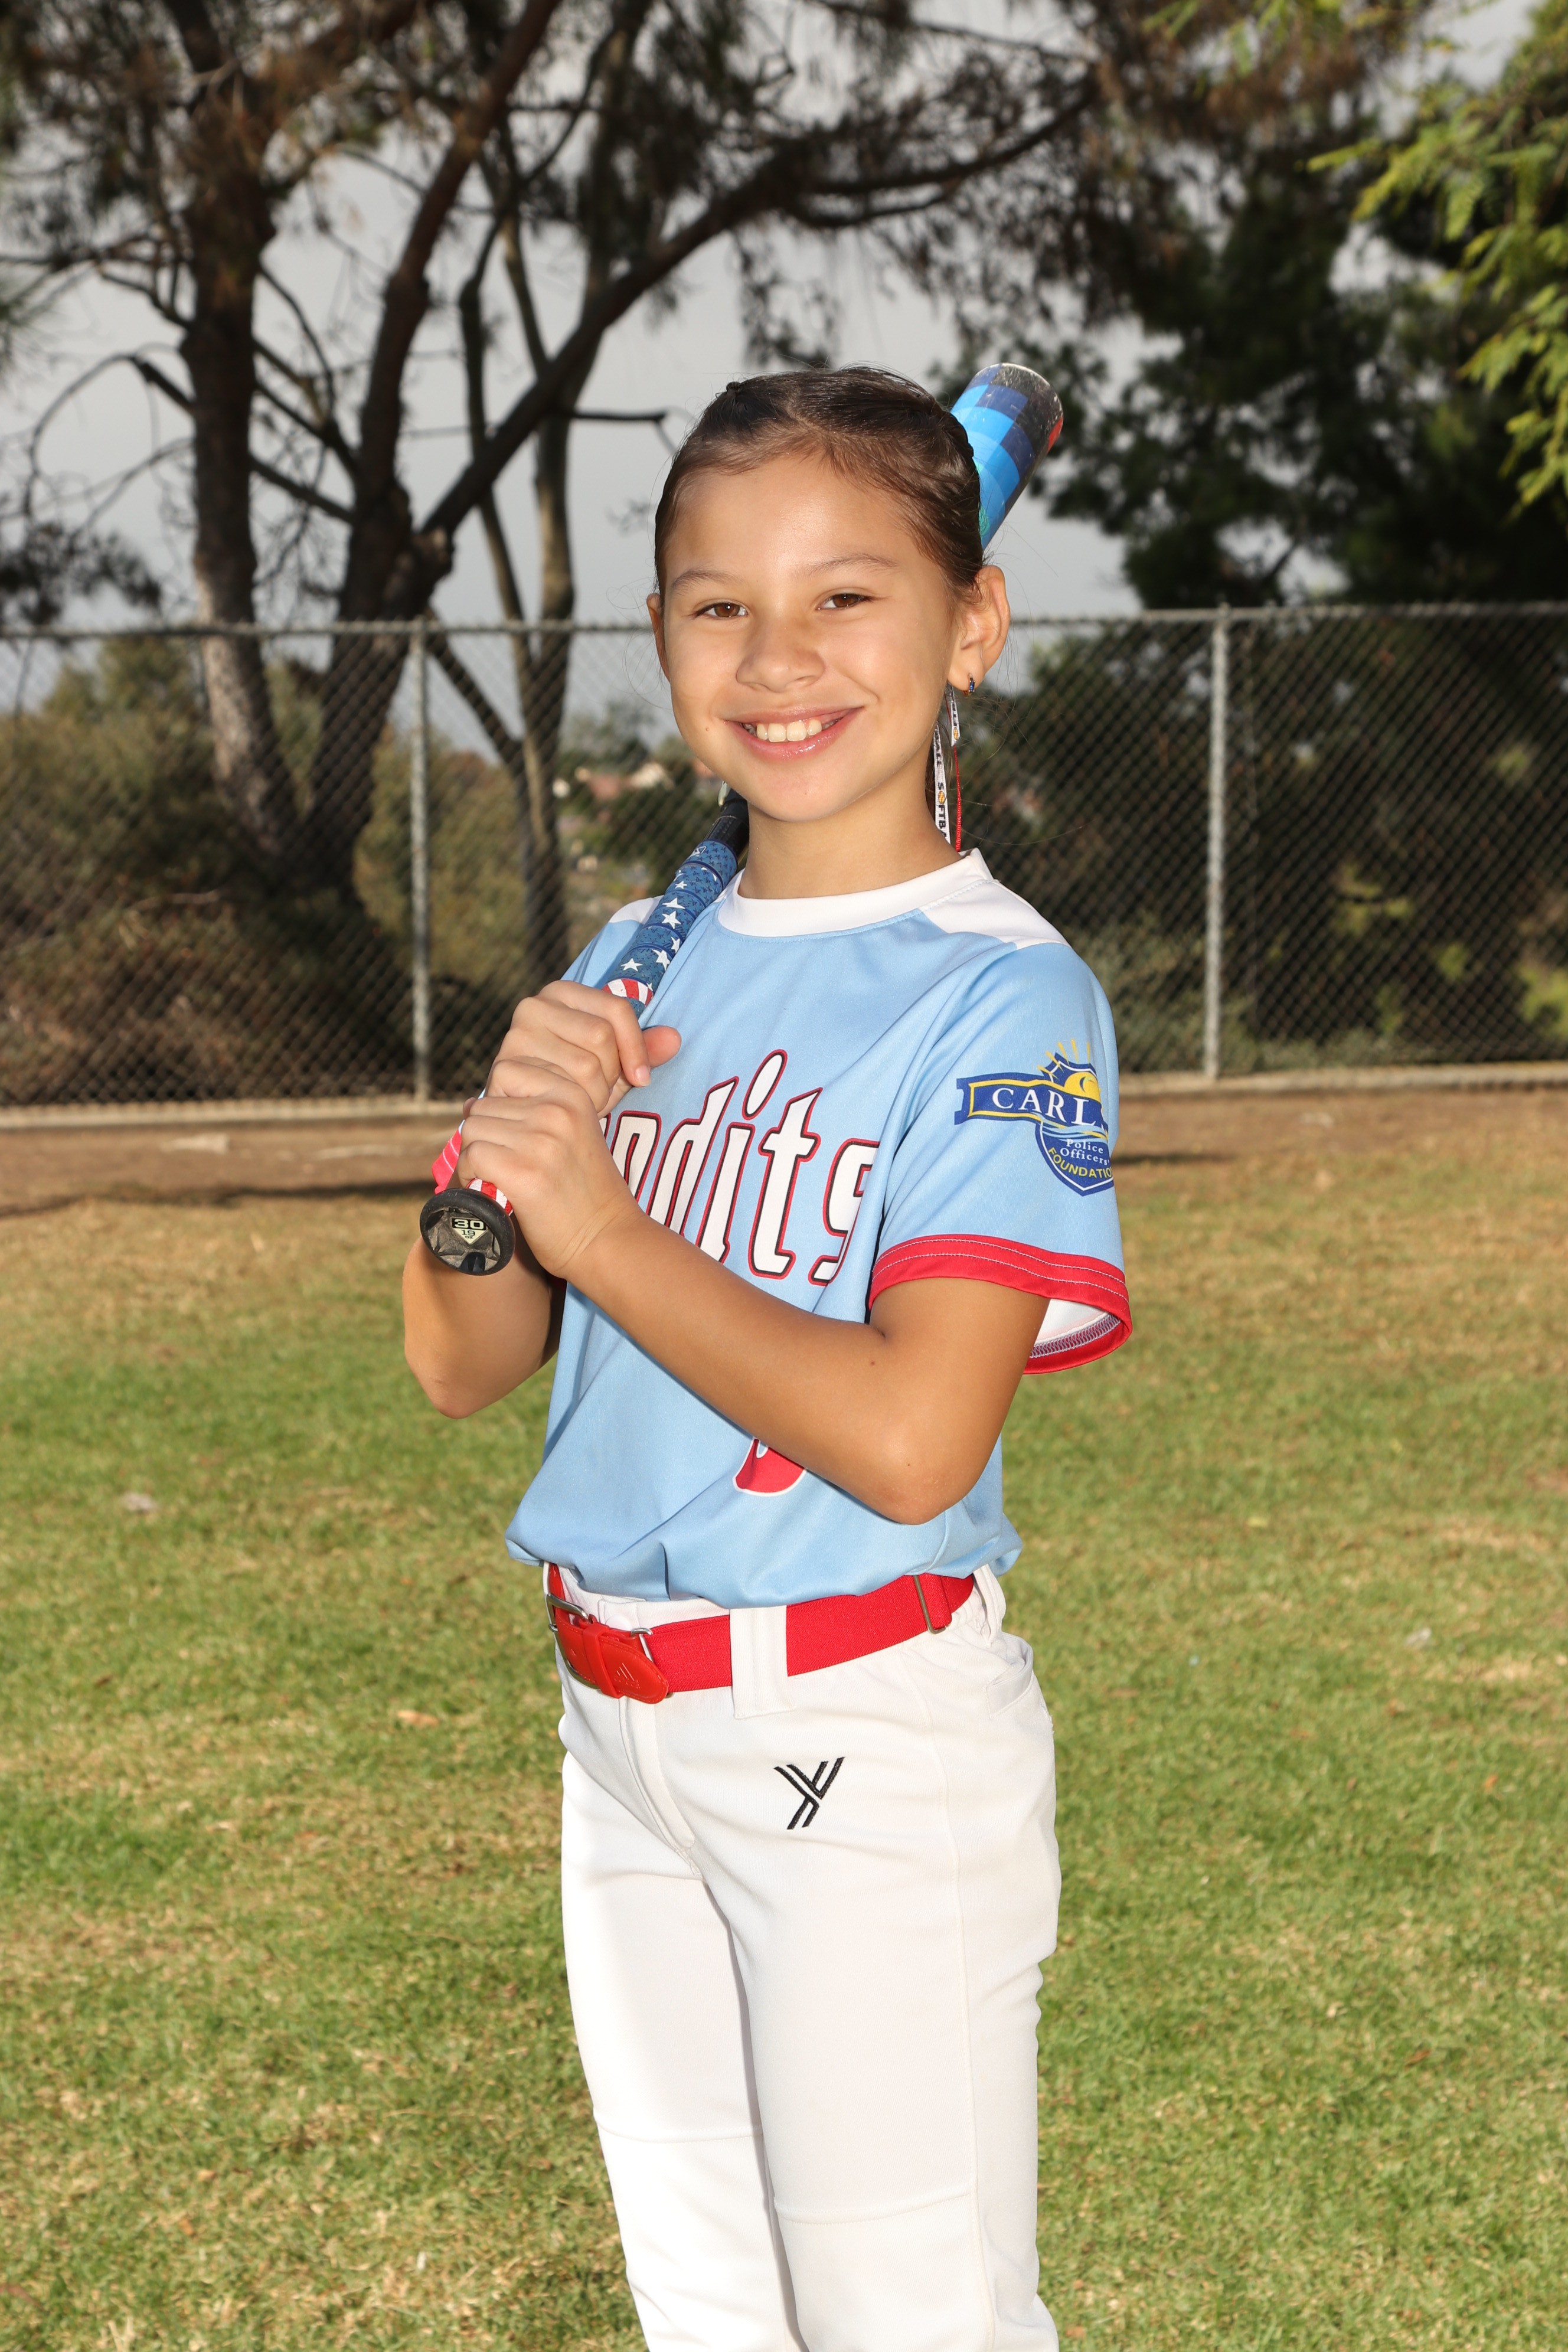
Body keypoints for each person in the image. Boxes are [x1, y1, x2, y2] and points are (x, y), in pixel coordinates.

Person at [402, 367, 1131, 2352]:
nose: (780, 657)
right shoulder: (645, 953)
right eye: (721, 605)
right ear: (662, 637)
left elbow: (912, 1439)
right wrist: (497, 1164)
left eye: (848, 598)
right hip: (619, 1733)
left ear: (972, 625)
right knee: (713, 2317)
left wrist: (604, 1229)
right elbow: (462, 1362)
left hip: (855, 1740)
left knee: (908, 2321)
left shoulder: (1004, 995)